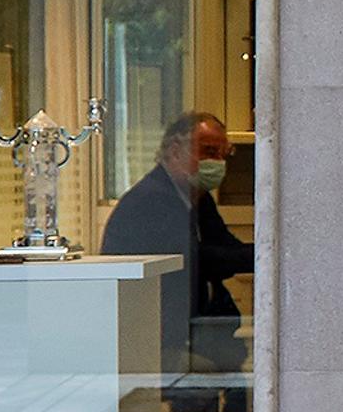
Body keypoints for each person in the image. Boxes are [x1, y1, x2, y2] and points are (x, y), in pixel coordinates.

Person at [100, 111, 252, 317]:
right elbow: (194, 260)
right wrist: (257, 257)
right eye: (208, 151)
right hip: (153, 324)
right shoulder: (151, 200)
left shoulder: (198, 196)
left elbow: (225, 245)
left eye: (223, 154)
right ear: (175, 151)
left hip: (195, 323)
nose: (217, 162)